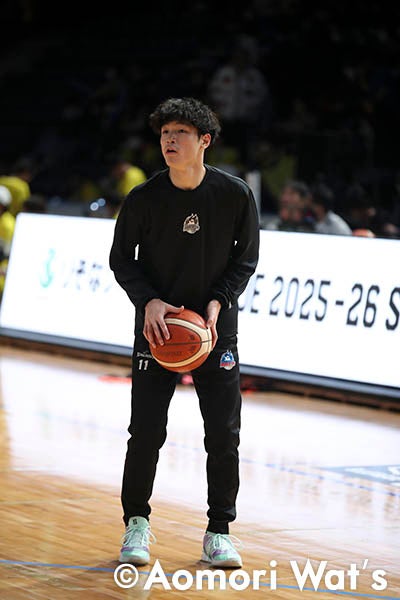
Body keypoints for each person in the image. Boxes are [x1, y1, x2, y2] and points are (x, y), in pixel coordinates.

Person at [109, 97, 260, 569]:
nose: (170, 141)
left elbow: (246, 259)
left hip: (214, 332)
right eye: (165, 134)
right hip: (159, 331)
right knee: (145, 430)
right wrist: (148, 300)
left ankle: (219, 532)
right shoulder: (144, 197)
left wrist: (219, 300)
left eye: (180, 133)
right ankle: (136, 523)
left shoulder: (234, 194)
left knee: (224, 433)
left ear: (204, 141)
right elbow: (121, 260)